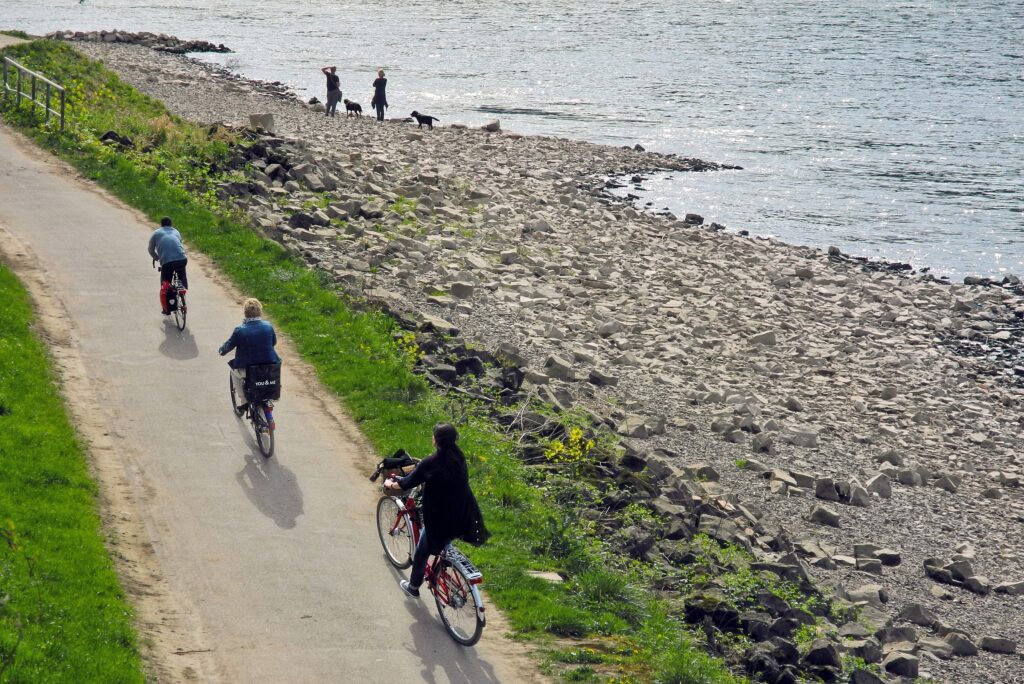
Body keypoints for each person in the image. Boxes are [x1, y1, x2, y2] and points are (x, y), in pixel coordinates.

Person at [384, 423, 488, 598]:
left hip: (441, 519)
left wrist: (392, 484)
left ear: (436, 441)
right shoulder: (458, 457)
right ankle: (443, 563)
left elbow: (408, 482)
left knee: (421, 552)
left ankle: (413, 587)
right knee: (443, 541)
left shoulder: (431, 463)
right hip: (463, 513)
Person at [219, 298, 282, 425]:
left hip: (249, 370)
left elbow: (227, 347)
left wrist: (222, 350)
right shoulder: (268, 326)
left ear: (245, 313)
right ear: (260, 311)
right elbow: (273, 342)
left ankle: (244, 401)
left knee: (234, 372)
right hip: (270, 367)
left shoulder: (240, 330)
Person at [147, 216, 188, 316]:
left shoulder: (156, 233)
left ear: (161, 224)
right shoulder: (176, 231)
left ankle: (167, 309)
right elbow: (180, 244)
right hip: (182, 259)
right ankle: (182, 286)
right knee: (181, 273)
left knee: (165, 284)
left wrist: (158, 258)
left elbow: (150, 250)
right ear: (171, 224)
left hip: (167, 262)